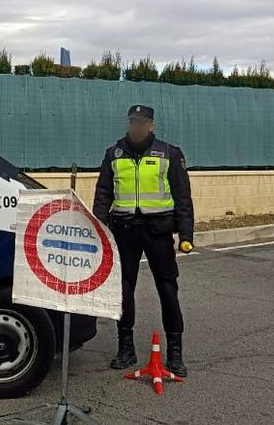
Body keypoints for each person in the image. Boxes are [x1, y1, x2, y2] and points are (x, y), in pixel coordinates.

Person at [93, 105, 194, 376]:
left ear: (151, 125)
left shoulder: (169, 153)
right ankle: (125, 349)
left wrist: (186, 235)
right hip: (124, 231)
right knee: (124, 290)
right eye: (133, 122)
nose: (136, 127)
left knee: (167, 289)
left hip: (158, 231)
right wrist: (97, 228)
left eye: (142, 122)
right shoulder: (113, 154)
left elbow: (183, 197)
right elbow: (103, 194)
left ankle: (175, 353)